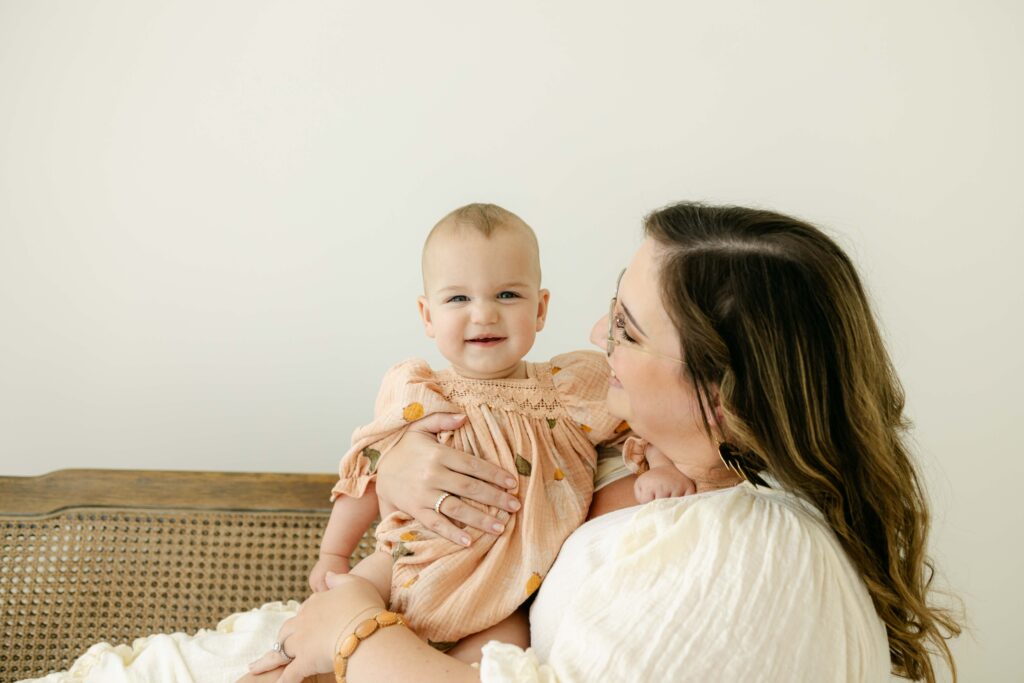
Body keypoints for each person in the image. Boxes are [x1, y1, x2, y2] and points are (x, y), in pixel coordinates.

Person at [244, 201, 960, 682]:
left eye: (627, 327)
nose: (593, 338)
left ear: (721, 394)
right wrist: (397, 461)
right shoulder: (653, 465)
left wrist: (354, 632)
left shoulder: (749, 560)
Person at [309, 203, 673, 661]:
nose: (483, 315)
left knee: (501, 657)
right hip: (405, 568)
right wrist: (333, 555)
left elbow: (648, 420)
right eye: (458, 299)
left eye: (506, 296)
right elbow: (370, 469)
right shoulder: (420, 392)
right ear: (427, 315)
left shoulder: (571, 390)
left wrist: (661, 466)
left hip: (506, 592)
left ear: (540, 309)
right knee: (321, 634)